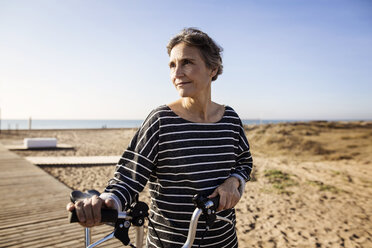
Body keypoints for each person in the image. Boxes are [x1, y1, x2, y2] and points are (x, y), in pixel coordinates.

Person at [67, 27, 253, 248]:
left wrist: (234, 182)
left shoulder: (230, 118)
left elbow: (244, 162)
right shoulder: (161, 120)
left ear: (212, 68)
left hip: (226, 241)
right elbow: (128, 178)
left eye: (187, 63)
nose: (177, 73)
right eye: (172, 65)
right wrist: (109, 200)